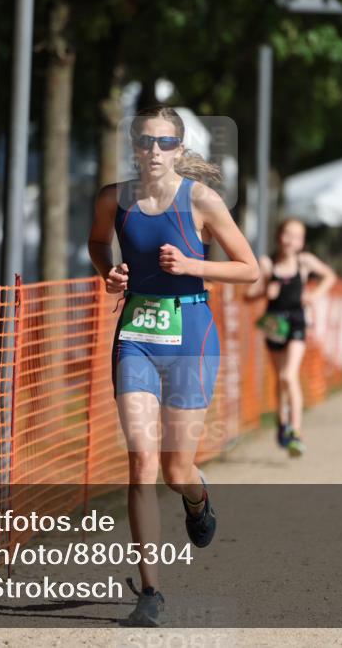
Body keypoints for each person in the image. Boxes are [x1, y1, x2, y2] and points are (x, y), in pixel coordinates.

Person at [87, 105, 259, 627]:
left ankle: (197, 497)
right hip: (135, 338)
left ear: (179, 149)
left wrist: (191, 265)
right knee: (141, 462)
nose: (154, 151)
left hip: (191, 336)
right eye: (145, 141)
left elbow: (249, 268)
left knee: (174, 469)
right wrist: (109, 273)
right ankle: (151, 591)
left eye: (165, 143)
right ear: (134, 146)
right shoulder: (113, 199)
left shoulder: (201, 199)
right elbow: (97, 242)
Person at [246, 219, 336, 456]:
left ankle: (296, 431)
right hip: (274, 324)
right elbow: (247, 295)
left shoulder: (304, 262)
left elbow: (330, 276)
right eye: (287, 234)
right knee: (280, 378)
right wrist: (266, 289)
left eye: (297, 236)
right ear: (279, 236)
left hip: (297, 322)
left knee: (289, 374)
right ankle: (281, 420)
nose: (291, 240)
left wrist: (314, 295)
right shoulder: (267, 263)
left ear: (302, 241)